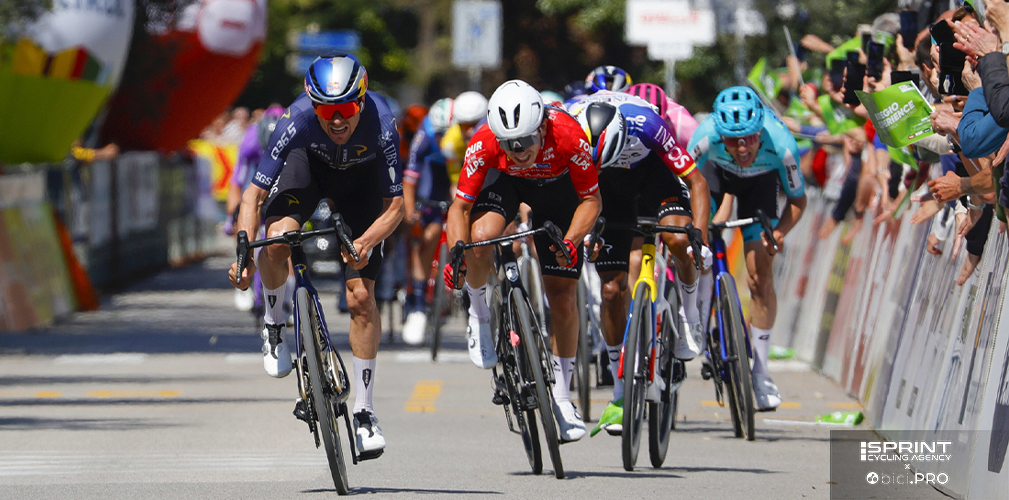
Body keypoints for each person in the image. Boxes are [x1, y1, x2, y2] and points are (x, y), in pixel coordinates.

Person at [228, 51, 404, 459]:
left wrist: (365, 242)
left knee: (361, 297)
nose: (337, 119)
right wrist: (243, 256)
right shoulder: (296, 119)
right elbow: (253, 196)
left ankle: (364, 412)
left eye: (346, 109)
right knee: (276, 241)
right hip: (307, 169)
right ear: (313, 105)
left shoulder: (382, 122)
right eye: (326, 110)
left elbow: (395, 207)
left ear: (361, 101)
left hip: (361, 184)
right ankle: (275, 323)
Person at [445, 80, 602, 442]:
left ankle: (562, 397)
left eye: (526, 140)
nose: (518, 151)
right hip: (506, 185)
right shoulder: (484, 140)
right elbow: (461, 207)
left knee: (562, 296)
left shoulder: (569, 136)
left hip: (558, 190)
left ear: (543, 127)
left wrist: (571, 241)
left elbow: (591, 201)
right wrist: (457, 251)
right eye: (508, 144)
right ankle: (479, 313)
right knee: (480, 238)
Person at [566, 93, 711, 436]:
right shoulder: (570, 129)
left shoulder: (648, 126)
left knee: (678, 240)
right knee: (611, 290)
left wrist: (700, 239)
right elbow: (569, 193)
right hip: (603, 190)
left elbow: (697, 182)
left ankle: (689, 314)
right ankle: (620, 388)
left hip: (653, 174)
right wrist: (582, 235)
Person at [686, 86, 806, 412]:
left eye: (750, 139)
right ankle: (695, 314)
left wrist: (779, 232)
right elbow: (683, 182)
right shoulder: (705, 136)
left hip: (759, 185)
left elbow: (797, 200)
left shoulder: (781, 143)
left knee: (759, 276)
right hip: (713, 178)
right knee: (697, 247)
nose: (741, 148)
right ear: (718, 133)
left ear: (760, 131)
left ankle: (762, 372)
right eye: (731, 140)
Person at [401, 98, 455, 344]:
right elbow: (410, 178)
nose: (443, 138)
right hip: (431, 179)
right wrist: (411, 210)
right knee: (426, 237)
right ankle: (418, 305)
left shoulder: (465, 135)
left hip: (456, 172)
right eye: (440, 133)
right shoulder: (425, 133)